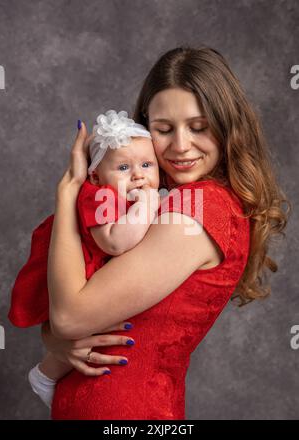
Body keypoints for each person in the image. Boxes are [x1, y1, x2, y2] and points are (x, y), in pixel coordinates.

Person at [24, 46, 293, 419]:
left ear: (228, 127)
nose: (181, 146)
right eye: (163, 129)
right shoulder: (152, 198)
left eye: (199, 128)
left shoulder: (203, 206)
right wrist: (57, 340)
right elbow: (64, 323)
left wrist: (69, 191)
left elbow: (70, 317)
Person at [9, 110, 161, 408]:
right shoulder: (97, 197)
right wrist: (148, 205)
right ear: (96, 175)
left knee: (92, 333)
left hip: (99, 279)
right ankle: (44, 374)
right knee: (84, 330)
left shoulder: (133, 195)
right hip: (79, 273)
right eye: (123, 167)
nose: (138, 175)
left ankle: (49, 374)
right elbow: (115, 242)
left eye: (146, 164)